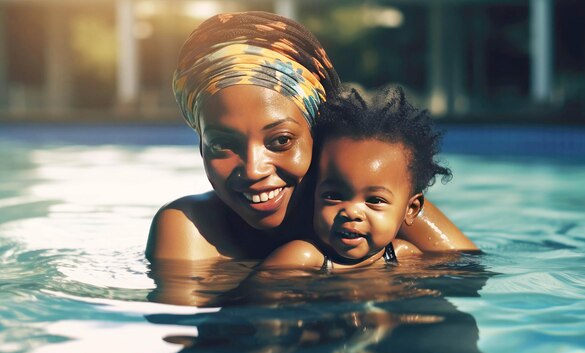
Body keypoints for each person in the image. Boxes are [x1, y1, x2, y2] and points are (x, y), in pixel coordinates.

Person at [146, 11, 477, 262]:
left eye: (280, 141)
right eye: (221, 144)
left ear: (318, 133)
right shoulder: (190, 229)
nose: (253, 169)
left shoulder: (374, 199)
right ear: (200, 143)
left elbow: (469, 279)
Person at [261, 86, 451, 270]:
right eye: (334, 196)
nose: (351, 212)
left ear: (411, 209)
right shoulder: (300, 259)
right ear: (314, 193)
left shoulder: (404, 256)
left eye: (374, 200)